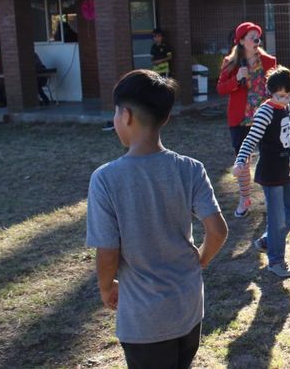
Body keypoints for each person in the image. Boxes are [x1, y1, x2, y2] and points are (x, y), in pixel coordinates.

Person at [86, 69, 228, 369]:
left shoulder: (106, 179)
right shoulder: (191, 168)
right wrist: (200, 261)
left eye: (115, 113)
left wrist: (104, 286)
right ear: (164, 118)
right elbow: (217, 231)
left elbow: (108, 250)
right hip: (189, 308)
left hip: (144, 321)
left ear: (125, 116)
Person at [233, 66, 290, 278]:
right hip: (271, 173)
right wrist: (240, 160)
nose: (286, 99)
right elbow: (251, 138)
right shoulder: (266, 111)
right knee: (277, 219)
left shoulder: (284, 108)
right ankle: (276, 261)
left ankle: (267, 241)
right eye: (282, 95)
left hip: (284, 170)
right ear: (271, 92)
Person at [217, 22, 277, 218]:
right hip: (240, 119)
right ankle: (245, 199)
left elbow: (276, 89)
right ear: (241, 41)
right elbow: (221, 88)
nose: (256, 40)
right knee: (242, 161)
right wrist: (236, 79)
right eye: (251, 36)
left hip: (265, 117)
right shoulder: (231, 62)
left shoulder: (269, 61)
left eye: (257, 36)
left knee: (268, 158)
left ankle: (270, 198)